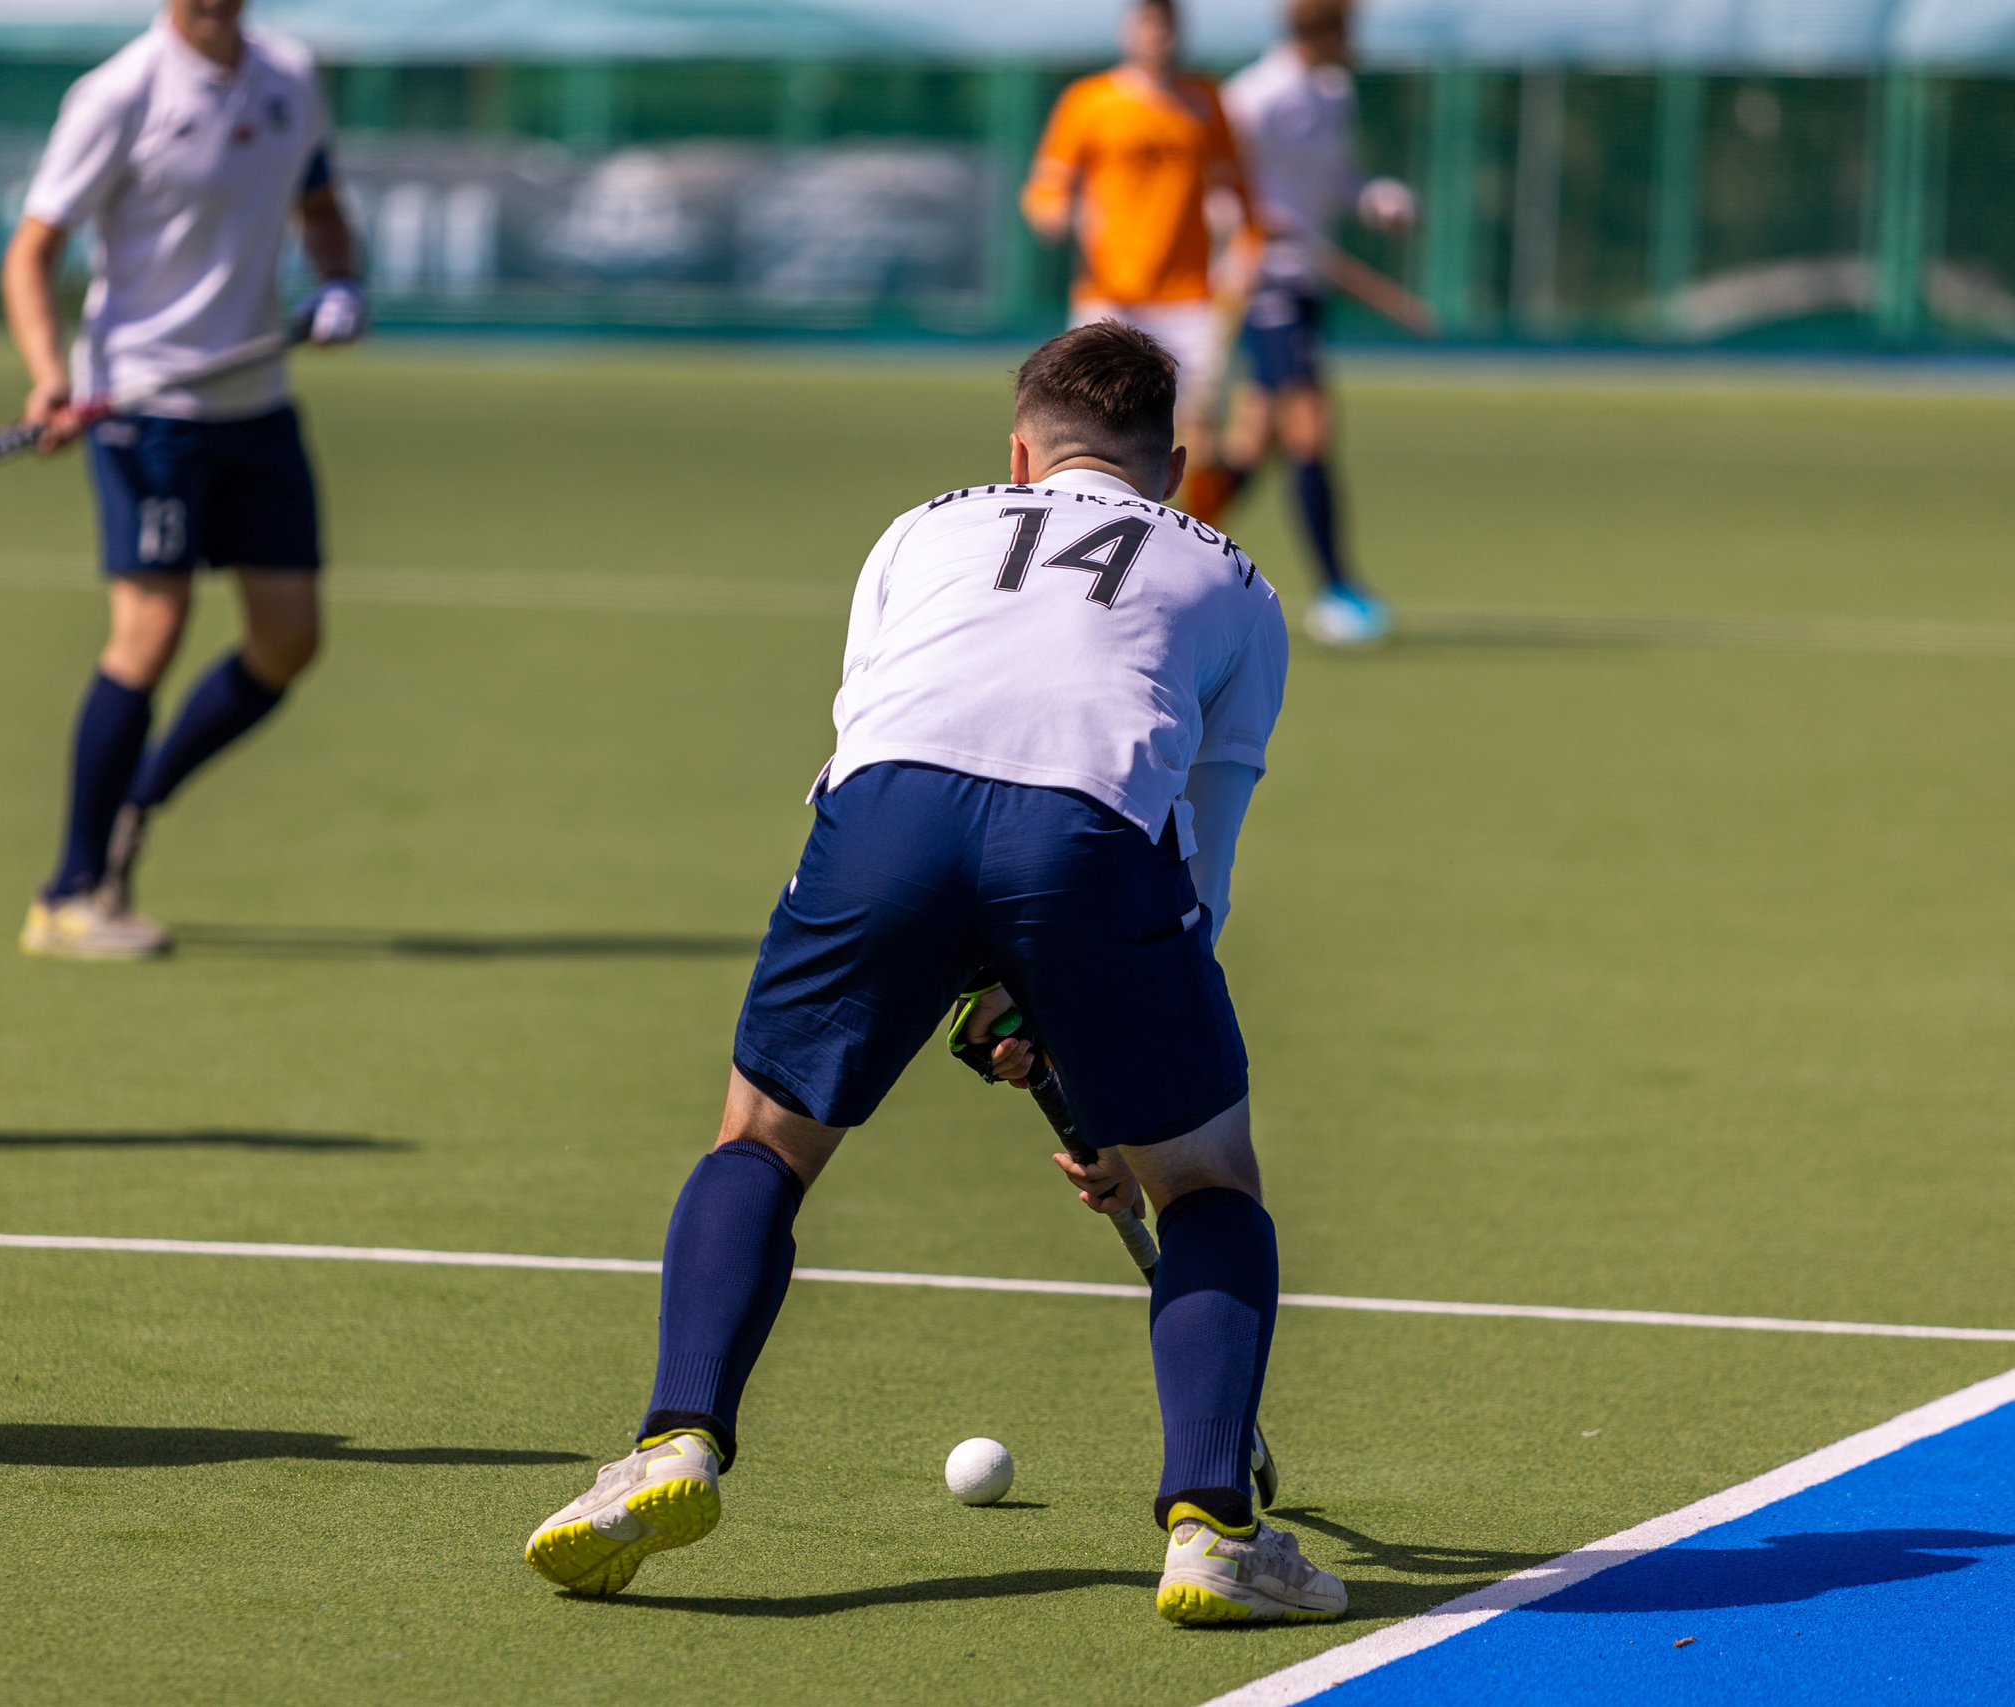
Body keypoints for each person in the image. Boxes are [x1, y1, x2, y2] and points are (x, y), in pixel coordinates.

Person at [523, 324, 1347, 1628]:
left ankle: (674, 1440)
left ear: (1019, 453)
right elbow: (1199, 853)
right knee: (1206, 1185)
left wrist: (1002, 976)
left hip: (881, 822)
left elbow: (889, 735)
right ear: (1176, 468)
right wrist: (1115, 1078)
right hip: (1091, 840)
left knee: (760, 1140)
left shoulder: (921, 529)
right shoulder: (1231, 578)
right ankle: (1214, 1529)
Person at [3, 0, 365, 959]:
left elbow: (321, 208)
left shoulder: (290, 77)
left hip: (256, 402)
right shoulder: (119, 94)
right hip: (144, 409)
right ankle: (68, 893)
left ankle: (137, 800)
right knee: (151, 629)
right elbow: (31, 252)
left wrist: (340, 282)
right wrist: (49, 378)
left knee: (289, 640)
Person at [1211, 0, 1415, 646]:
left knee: (1254, 442)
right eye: (1348, 30)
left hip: (1307, 279)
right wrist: (1246, 224)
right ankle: (1336, 590)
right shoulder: (1254, 95)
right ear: (1320, 30)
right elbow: (1212, 177)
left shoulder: (1333, 95)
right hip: (1264, 279)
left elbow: (1335, 179)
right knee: (1309, 424)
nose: (1356, 42)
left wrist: (1374, 199)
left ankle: (1157, 545)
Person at [1021, 0, 1253, 511]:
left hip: (1190, 295)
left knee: (1195, 430)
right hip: (1110, 293)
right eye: (1148, 24)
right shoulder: (1090, 101)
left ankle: (1189, 532)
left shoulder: (1204, 100)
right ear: (1129, 31)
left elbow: (1236, 187)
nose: (1157, 37)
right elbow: (1046, 187)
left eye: (1166, 26)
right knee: (1089, 425)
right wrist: (1054, 212)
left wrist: (1247, 246)